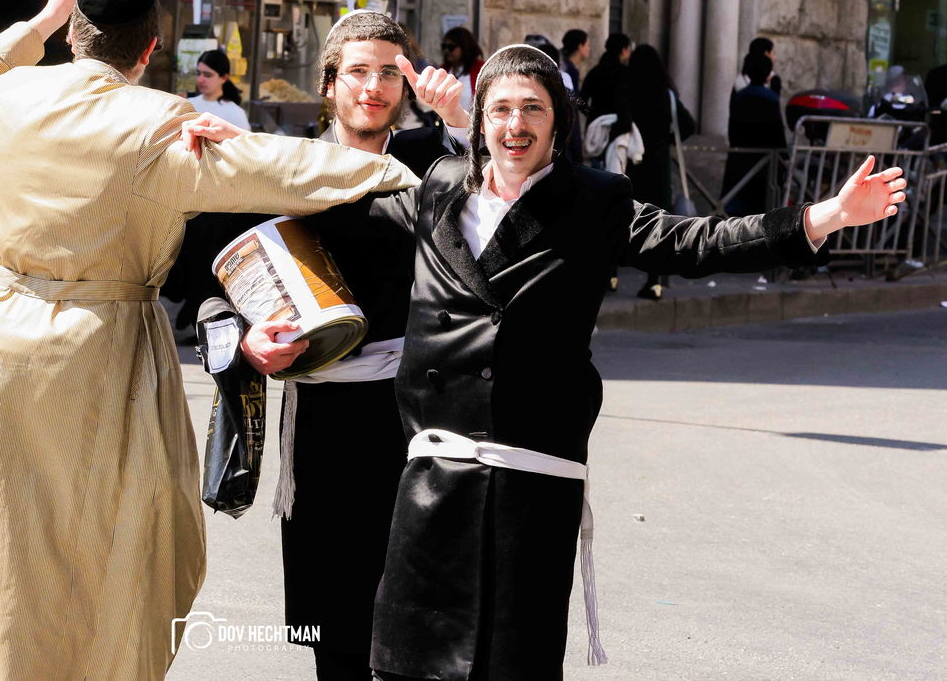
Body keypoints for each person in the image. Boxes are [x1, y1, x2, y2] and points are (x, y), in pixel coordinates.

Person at [259, 43, 904, 681]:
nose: (515, 125)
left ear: (558, 123)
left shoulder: (595, 201)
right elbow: (341, 212)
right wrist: (233, 155)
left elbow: (698, 242)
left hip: (529, 488)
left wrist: (827, 216)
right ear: (480, 123)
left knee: (512, 666)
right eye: (500, 109)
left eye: (533, 109)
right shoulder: (440, 189)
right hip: (431, 485)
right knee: (408, 665)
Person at [0, 0, 420, 681]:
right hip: (95, 352)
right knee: (101, 546)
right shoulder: (161, 124)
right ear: (150, 48)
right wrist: (391, 171)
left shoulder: (14, 98)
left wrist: (40, 20)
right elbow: (280, 170)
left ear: (74, 35)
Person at [183, 11, 467, 681]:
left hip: (416, 416)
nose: (374, 86)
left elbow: (502, 194)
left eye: (390, 73)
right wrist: (247, 340)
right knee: (335, 632)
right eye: (358, 71)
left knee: (418, 626)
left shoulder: (432, 159)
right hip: (321, 423)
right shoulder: (278, 169)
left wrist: (460, 117)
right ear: (329, 83)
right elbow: (209, 289)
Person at [626, 44, 675, 299]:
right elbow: (687, 123)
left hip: (632, 162)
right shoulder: (665, 92)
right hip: (658, 163)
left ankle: (611, 277)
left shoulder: (628, 88)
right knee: (656, 222)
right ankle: (654, 282)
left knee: (622, 217)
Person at [722, 52, 787, 216]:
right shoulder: (771, 98)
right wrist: (784, 156)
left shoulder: (740, 96)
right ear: (767, 75)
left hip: (740, 161)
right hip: (764, 165)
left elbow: (732, 128)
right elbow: (777, 131)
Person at [579, 33, 634, 172]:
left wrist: (594, 115)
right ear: (623, 50)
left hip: (595, 133)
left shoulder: (594, 72)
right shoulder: (626, 73)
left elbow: (580, 100)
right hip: (618, 130)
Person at [188, 48, 250, 130]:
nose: (200, 79)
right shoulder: (188, 105)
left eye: (208, 75)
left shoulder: (235, 113)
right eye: (198, 73)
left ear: (224, 78)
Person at [441, 26, 484, 115]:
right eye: (444, 46)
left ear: (464, 47)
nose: (446, 51)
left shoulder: (480, 69)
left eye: (451, 47)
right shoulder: (444, 70)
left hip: (472, 121)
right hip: (447, 122)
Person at [560, 28, 589, 93]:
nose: (588, 49)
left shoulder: (565, 65)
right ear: (580, 46)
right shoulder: (569, 70)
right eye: (587, 45)